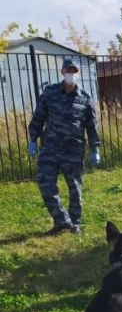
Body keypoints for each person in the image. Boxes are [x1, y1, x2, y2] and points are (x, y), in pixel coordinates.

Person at [27, 57, 101, 235]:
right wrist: (32, 139)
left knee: (74, 188)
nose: (71, 74)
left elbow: (92, 126)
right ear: (62, 72)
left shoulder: (85, 98)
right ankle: (61, 220)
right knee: (45, 184)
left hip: (73, 150)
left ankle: (75, 222)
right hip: (50, 148)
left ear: (78, 73)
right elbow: (39, 117)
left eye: (74, 71)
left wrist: (95, 148)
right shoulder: (50, 93)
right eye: (68, 70)